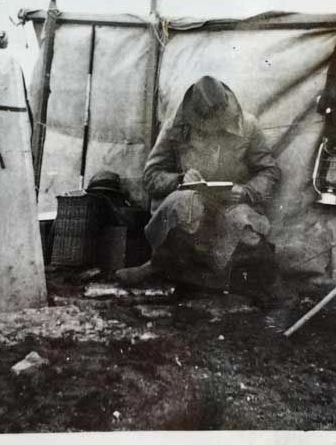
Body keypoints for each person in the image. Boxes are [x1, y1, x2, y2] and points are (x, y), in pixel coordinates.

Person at [116, 75, 281, 287]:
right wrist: (179, 179)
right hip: (192, 208)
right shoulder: (176, 127)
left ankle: (227, 282)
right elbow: (150, 176)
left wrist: (247, 191)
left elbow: (270, 171)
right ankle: (159, 266)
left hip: (230, 205)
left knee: (241, 222)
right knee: (185, 202)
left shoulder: (248, 126)